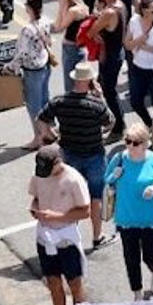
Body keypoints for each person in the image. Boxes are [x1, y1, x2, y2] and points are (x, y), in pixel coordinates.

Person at [38, 63, 117, 251]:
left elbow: (42, 118)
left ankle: (67, 236)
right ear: (90, 80)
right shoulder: (96, 105)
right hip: (94, 156)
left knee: (70, 197)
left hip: (69, 155)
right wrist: (101, 97)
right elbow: (110, 123)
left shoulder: (60, 101)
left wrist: (50, 135)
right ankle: (97, 237)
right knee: (96, 198)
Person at [27, 145, 92, 305]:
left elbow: (85, 211)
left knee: (75, 284)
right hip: (45, 236)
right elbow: (35, 197)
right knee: (53, 282)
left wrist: (57, 217)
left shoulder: (73, 179)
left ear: (58, 162)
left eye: (49, 169)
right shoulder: (39, 176)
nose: (44, 174)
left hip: (66, 237)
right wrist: (34, 208)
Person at [105, 125, 153, 300]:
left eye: (135, 143)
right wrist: (114, 176)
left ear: (145, 144)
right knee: (131, 259)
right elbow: (106, 179)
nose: (130, 146)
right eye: (127, 142)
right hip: (126, 218)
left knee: (151, 256)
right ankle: (137, 293)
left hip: (149, 219)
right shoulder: (119, 159)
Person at [123, 0, 153, 139]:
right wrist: (139, 41)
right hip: (138, 67)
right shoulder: (134, 21)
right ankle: (149, 125)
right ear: (144, 10)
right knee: (135, 101)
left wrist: (147, 47)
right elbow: (127, 44)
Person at [15, 0, 55, 150]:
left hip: (32, 70)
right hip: (45, 65)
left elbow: (22, 53)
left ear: (28, 8)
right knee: (45, 100)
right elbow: (50, 41)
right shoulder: (45, 22)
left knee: (33, 106)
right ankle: (49, 131)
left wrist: (11, 67)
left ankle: (38, 137)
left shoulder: (27, 30)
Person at [90, 0, 128, 128]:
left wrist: (96, 34)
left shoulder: (109, 12)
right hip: (117, 52)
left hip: (109, 56)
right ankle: (117, 119)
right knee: (107, 88)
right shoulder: (121, 6)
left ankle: (119, 125)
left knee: (109, 92)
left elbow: (91, 31)